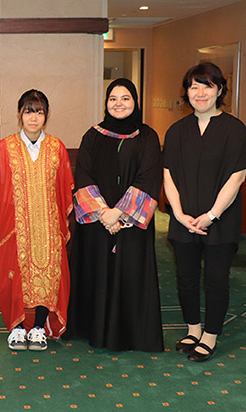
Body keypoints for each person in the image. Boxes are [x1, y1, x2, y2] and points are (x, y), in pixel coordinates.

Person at [163, 62, 246, 362]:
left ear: (219, 90)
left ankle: (211, 335)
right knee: (186, 277)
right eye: (194, 87)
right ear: (186, 92)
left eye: (207, 86)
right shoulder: (177, 131)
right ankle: (193, 329)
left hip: (221, 220)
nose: (200, 93)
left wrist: (212, 215)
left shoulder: (234, 129)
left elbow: (237, 178)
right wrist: (178, 214)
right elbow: (168, 175)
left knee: (216, 278)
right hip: (184, 219)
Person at [66, 78, 164, 352]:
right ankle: (93, 330)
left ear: (135, 102)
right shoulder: (92, 136)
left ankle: (129, 334)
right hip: (97, 224)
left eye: (125, 98)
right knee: (96, 273)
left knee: (129, 275)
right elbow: (83, 176)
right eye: (113, 99)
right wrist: (103, 214)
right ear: (106, 103)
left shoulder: (147, 137)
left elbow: (149, 177)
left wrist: (119, 214)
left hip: (130, 226)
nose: (118, 104)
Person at [0, 90, 74, 351]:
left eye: (39, 112)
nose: (33, 118)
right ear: (19, 114)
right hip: (15, 226)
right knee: (14, 275)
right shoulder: (5, 147)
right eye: (28, 111)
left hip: (48, 227)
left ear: (46, 116)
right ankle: (16, 328)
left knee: (47, 275)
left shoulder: (57, 148)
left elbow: (64, 188)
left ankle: (38, 328)